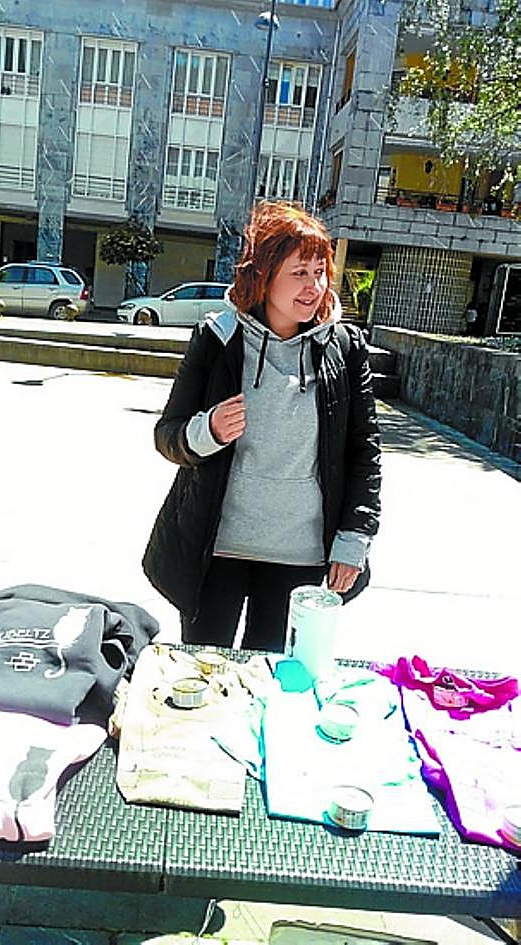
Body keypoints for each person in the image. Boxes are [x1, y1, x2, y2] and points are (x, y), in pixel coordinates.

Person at [142, 201, 381, 652]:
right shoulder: (218, 338)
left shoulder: (345, 347)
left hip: (300, 556)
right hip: (217, 549)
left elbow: (363, 454)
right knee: (205, 670)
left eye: (320, 272)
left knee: (271, 675)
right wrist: (209, 430)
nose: (314, 286)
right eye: (299, 272)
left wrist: (354, 539)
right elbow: (168, 434)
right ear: (264, 275)